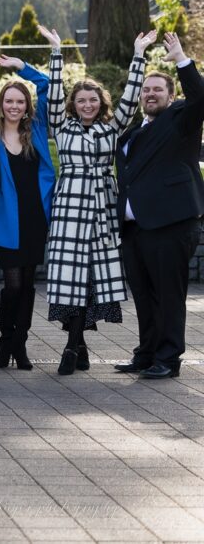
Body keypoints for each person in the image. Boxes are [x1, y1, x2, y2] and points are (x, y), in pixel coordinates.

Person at [43, 25, 152, 376]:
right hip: (69, 209)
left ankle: (73, 347)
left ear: (101, 102)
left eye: (92, 100)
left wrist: (138, 56)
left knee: (91, 278)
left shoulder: (112, 128)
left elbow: (131, 99)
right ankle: (76, 346)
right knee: (70, 277)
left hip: (103, 208)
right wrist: (56, 52)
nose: (87, 105)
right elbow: (53, 95)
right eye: (81, 100)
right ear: (73, 105)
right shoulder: (61, 126)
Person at [115, 32, 204, 380]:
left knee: (168, 295)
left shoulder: (181, 118)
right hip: (134, 228)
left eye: (157, 90)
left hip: (170, 223)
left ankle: (168, 358)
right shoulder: (132, 132)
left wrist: (181, 59)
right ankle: (147, 353)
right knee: (143, 294)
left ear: (171, 95)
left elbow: (200, 96)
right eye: (146, 90)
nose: (150, 94)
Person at [0, 54, 56, 370]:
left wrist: (21, 67)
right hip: (6, 220)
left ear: (27, 106)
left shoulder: (37, 129)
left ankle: (20, 346)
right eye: (9, 101)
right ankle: (5, 342)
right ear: (1, 105)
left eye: (19, 101)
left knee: (28, 284)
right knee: (12, 285)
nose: (14, 106)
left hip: (36, 217)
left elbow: (46, 84)